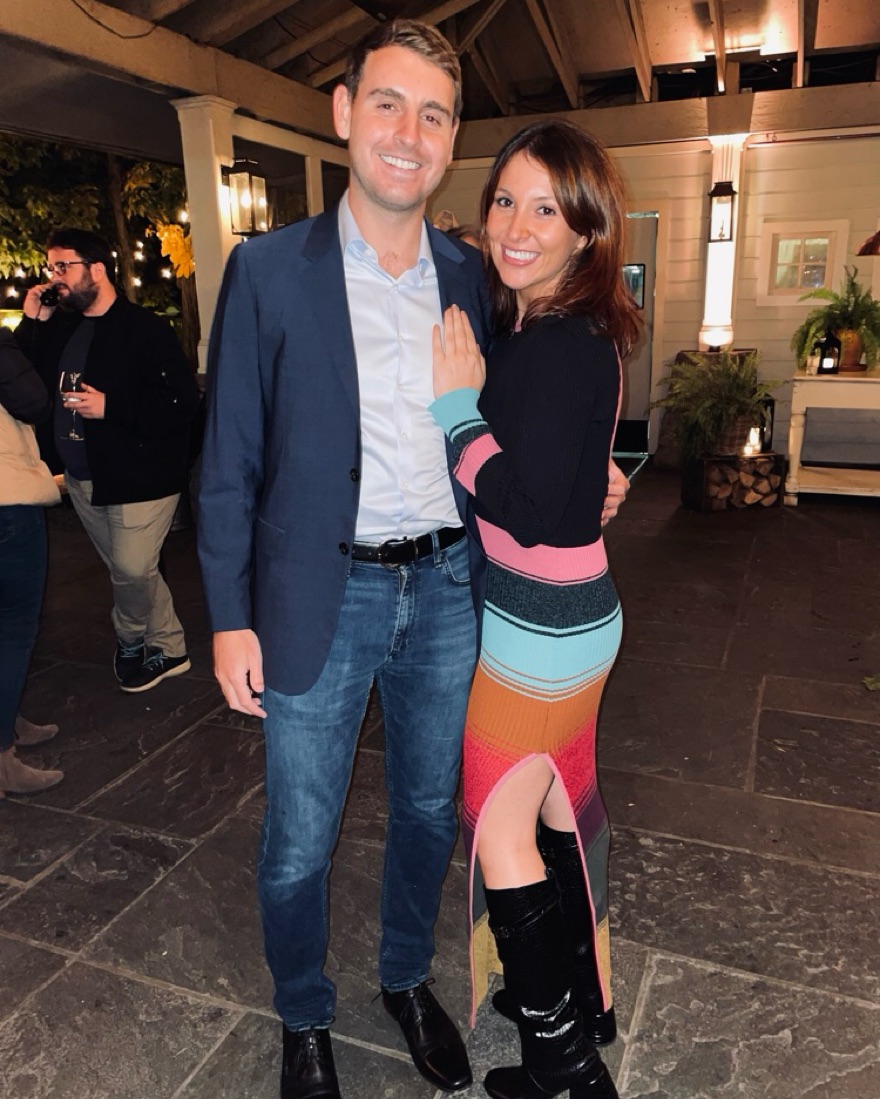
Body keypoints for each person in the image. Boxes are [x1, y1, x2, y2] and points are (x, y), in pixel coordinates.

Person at [198, 21, 628, 1099]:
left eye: (434, 114)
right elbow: (228, 460)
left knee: (434, 816)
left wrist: (592, 482)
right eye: (387, 103)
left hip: (449, 590)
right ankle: (305, 1015)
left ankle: (404, 979)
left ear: (450, 139)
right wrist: (228, 615)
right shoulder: (267, 271)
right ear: (345, 113)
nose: (408, 131)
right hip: (320, 592)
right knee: (300, 839)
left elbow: (531, 412)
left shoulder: (475, 272)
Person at [429, 119, 640, 1099]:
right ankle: (578, 1003)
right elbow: (571, 478)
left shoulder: (553, 344)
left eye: (544, 209)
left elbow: (535, 511)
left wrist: (455, 412)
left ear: (585, 229)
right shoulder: (564, 330)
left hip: (539, 631)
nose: (515, 226)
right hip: (574, 619)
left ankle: (564, 1069)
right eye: (505, 200)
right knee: (559, 800)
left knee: (497, 823)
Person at [16, 229, 200, 693]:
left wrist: (111, 407)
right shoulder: (59, 328)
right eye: (51, 268)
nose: (54, 278)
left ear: (97, 269)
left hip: (142, 476)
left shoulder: (145, 329)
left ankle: (130, 639)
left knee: (133, 570)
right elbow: (19, 377)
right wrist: (33, 322)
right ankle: (171, 647)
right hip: (82, 478)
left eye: (63, 266)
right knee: (129, 571)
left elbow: (181, 403)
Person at [0, 329, 64, 798]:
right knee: (13, 628)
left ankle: (8, 717)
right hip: (7, 501)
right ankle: (2, 761)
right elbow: (33, 401)